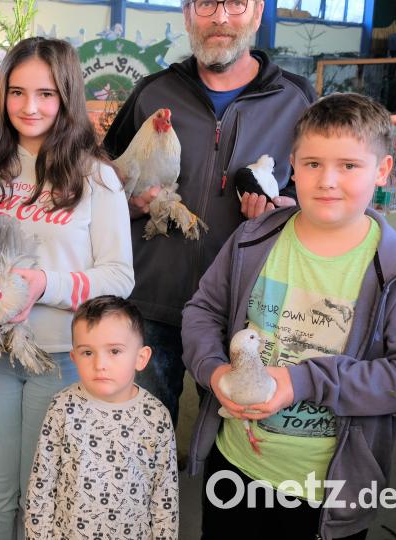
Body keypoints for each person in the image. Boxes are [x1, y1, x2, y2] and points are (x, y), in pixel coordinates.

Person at [181, 93, 396, 539]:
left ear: (383, 170)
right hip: (235, 464)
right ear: (292, 165)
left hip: (326, 489)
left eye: (349, 165)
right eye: (312, 164)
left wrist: (303, 382)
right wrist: (214, 374)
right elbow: (202, 311)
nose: (327, 180)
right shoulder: (252, 239)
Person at [0, 37, 134, 539]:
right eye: (17, 92)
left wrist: (41, 284)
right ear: (3, 95)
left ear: (67, 96)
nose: (30, 107)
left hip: (59, 357)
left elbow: (119, 276)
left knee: (43, 497)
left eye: (46, 94)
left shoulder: (97, 178)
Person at [103, 0, 316, 424]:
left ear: (257, 14)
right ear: (187, 15)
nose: (221, 17)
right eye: (206, 4)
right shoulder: (152, 92)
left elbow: (313, 181)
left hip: (240, 306)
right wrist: (126, 204)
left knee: (232, 435)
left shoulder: (295, 99)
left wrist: (286, 206)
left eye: (236, 4)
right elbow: (103, 174)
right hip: (150, 299)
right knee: (140, 435)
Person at [26, 296, 178, 539]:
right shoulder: (62, 407)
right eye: (87, 352)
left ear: (141, 358)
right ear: (74, 358)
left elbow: (165, 496)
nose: (100, 364)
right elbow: (41, 486)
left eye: (115, 351)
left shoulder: (156, 416)